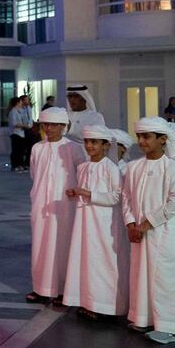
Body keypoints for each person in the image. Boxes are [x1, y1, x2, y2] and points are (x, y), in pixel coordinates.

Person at [63, 126, 128, 320]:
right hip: (85, 223)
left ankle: (107, 307)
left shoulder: (112, 169)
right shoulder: (83, 167)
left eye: (95, 142)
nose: (90, 146)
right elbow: (84, 194)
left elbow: (116, 197)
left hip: (105, 224)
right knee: (87, 261)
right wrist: (76, 194)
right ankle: (88, 302)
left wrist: (89, 194)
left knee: (104, 262)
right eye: (87, 142)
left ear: (106, 146)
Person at [123, 117, 175, 344]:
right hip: (139, 232)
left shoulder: (172, 167)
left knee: (163, 277)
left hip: (164, 232)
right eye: (139, 137)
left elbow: (174, 202)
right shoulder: (133, 167)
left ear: (162, 139)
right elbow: (126, 197)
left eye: (147, 137)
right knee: (140, 274)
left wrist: (146, 224)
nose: (142, 141)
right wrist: (130, 224)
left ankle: (168, 326)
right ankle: (142, 318)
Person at [26, 107, 86, 306]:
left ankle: (63, 291)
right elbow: (35, 174)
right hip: (41, 203)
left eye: (53, 125)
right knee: (40, 245)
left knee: (63, 245)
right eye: (45, 125)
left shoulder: (73, 148)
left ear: (63, 126)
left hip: (64, 205)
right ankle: (41, 289)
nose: (48, 128)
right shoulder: (37, 148)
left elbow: (82, 175)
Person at [20, 95, 38, 169]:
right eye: (26, 100)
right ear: (23, 101)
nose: (28, 101)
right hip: (24, 129)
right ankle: (23, 163)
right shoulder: (20, 109)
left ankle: (28, 163)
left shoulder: (29, 108)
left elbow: (30, 118)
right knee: (24, 147)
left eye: (28, 99)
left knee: (31, 146)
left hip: (30, 129)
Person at [8, 97, 25, 172]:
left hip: (21, 133)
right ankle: (14, 165)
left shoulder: (20, 111)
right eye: (21, 102)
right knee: (16, 150)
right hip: (15, 133)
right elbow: (14, 123)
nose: (22, 103)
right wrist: (23, 125)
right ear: (17, 103)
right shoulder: (13, 112)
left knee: (21, 150)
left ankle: (20, 164)